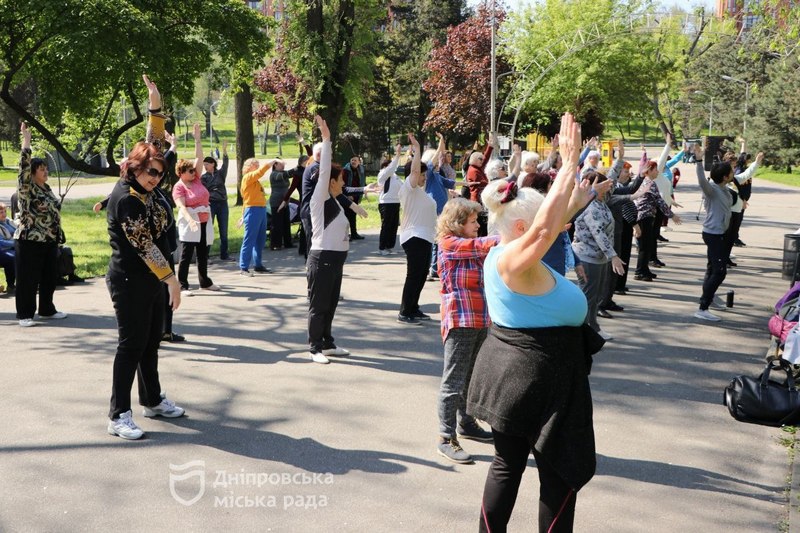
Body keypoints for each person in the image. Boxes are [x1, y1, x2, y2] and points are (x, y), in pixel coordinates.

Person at [467, 113, 603, 532]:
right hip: (534, 375)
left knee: (511, 465)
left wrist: (575, 199)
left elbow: (550, 223)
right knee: (555, 474)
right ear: (523, 227)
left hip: (525, 370)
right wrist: (566, 162)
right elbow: (545, 229)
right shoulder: (512, 259)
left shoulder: (503, 247)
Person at [106, 139, 185, 440]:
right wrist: (173, 281)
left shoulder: (145, 189)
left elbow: (153, 139)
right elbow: (144, 245)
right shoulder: (126, 198)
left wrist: (155, 108)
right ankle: (118, 415)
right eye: (151, 171)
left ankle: (151, 399)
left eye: (160, 174)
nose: (156, 178)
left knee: (150, 342)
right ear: (136, 167)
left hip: (152, 280)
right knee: (130, 346)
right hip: (129, 281)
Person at [435, 198, 498, 464]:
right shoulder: (450, 243)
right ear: (458, 224)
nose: (477, 225)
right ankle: (445, 437)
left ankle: (466, 423)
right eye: (473, 221)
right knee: (453, 381)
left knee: (470, 378)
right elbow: (482, 244)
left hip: (480, 318)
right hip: (460, 320)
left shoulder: (470, 246)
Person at [306, 115, 362, 364]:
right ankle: (315, 348)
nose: (343, 183)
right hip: (323, 257)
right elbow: (325, 169)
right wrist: (326, 139)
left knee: (330, 303)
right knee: (319, 305)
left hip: (336, 259)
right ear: (330, 182)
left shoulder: (337, 202)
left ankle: (327, 343)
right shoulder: (320, 199)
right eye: (341, 180)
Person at [14, 123, 67, 327]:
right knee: (28, 279)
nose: (45, 172)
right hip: (29, 239)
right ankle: (25, 315)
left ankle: (47, 309)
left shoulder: (47, 188)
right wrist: (26, 143)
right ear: (33, 172)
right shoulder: (27, 188)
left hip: (48, 239)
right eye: (41, 169)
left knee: (48, 277)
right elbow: (23, 169)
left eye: (46, 168)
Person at [571, 170, 624, 341]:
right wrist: (613, 256)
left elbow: (612, 181)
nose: (607, 187)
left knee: (595, 296)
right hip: (587, 257)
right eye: (602, 185)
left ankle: (593, 327)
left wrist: (620, 159)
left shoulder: (600, 201)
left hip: (598, 257)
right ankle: (583, 333)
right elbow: (598, 232)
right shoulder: (590, 206)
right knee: (588, 296)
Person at [692, 142, 736, 322]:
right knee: (719, 271)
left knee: (712, 269)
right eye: (731, 171)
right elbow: (702, 180)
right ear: (725, 177)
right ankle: (703, 307)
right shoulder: (712, 190)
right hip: (712, 234)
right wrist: (699, 160)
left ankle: (708, 300)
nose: (734, 172)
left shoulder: (725, 189)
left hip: (721, 234)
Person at [397, 133, 438, 325]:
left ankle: (414, 307)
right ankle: (405, 312)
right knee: (414, 274)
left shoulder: (421, 193)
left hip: (426, 237)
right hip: (414, 236)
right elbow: (414, 172)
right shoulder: (408, 188)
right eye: (422, 174)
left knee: (422, 274)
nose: (423, 177)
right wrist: (417, 150)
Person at [173, 124, 218, 294]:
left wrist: (197, 140)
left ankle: (204, 282)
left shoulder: (197, 180)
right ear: (181, 173)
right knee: (186, 256)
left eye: (194, 170)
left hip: (204, 222)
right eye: (190, 171)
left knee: (203, 253)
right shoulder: (179, 187)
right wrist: (191, 220)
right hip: (190, 224)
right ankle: (182, 285)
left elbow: (199, 158)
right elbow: (181, 206)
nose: (194, 172)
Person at [633, 158, 682, 282]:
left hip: (647, 217)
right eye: (655, 170)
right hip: (644, 218)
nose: (657, 172)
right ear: (649, 171)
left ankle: (645, 269)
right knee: (644, 246)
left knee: (648, 244)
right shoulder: (648, 183)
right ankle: (639, 271)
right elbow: (660, 201)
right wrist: (672, 215)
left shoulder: (648, 182)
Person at [238, 157, 276, 275]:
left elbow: (246, 198)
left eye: (258, 164)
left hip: (260, 210)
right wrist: (271, 162)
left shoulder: (255, 181)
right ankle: (243, 267)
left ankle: (258, 265)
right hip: (253, 210)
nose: (258, 166)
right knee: (249, 239)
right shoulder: (248, 177)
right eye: (256, 164)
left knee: (260, 239)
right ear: (249, 167)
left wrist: (242, 214)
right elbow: (260, 172)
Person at [200, 140, 231, 260]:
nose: (205, 167)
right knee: (209, 230)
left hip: (223, 204)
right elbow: (204, 191)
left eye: (207, 164)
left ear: (213, 164)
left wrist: (224, 151)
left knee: (224, 231)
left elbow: (226, 163)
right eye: (204, 165)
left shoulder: (220, 174)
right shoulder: (204, 177)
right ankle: (205, 255)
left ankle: (224, 254)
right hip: (211, 204)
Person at [466, 134, 496, 237]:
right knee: (480, 225)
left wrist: (490, 147)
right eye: (480, 159)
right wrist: (492, 183)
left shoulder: (477, 167)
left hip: (481, 200)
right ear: (474, 160)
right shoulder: (473, 170)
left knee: (483, 224)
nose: (482, 161)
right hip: (477, 201)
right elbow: (480, 182)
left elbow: (485, 159)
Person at [377, 144, 403, 255]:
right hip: (386, 203)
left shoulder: (395, 176)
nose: (394, 167)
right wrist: (397, 155)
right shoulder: (383, 174)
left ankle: (389, 247)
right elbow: (391, 167)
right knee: (386, 226)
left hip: (396, 203)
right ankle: (382, 248)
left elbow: (403, 186)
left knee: (393, 226)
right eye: (390, 165)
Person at [269, 159, 294, 250]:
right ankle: (275, 244)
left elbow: (289, 174)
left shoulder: (284, 172)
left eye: (283, 164)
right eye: (281, 164)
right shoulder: (274, 174)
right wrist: (295, 169)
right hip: (276, 202)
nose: (283, 166)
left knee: (286, 223)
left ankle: (288, 243)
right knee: (277, 224)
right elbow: (284, 175)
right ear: (275, 165)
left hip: (285, 202)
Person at [343, 155, 366, 240]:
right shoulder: (345, 170)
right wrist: (348, 195)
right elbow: (343, 184)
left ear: (359, 162)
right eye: (352, 160)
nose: (353, 162)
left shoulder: (361, 170)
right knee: (346, 216)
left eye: (355, 160)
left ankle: (354, 233)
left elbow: (363, 181)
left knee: (353, 215)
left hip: (356, 195)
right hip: (348, 196)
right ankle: (345, 235)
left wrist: (365, 191)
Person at [0, 203, 17, 292]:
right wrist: (15, 243)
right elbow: (1, 242)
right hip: (2, 251)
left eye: (5, 211)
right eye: (1, 212)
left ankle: (34, 281)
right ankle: (10, 285)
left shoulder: (9, 222)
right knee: (12, 257)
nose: (4, 214)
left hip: (15, 248)